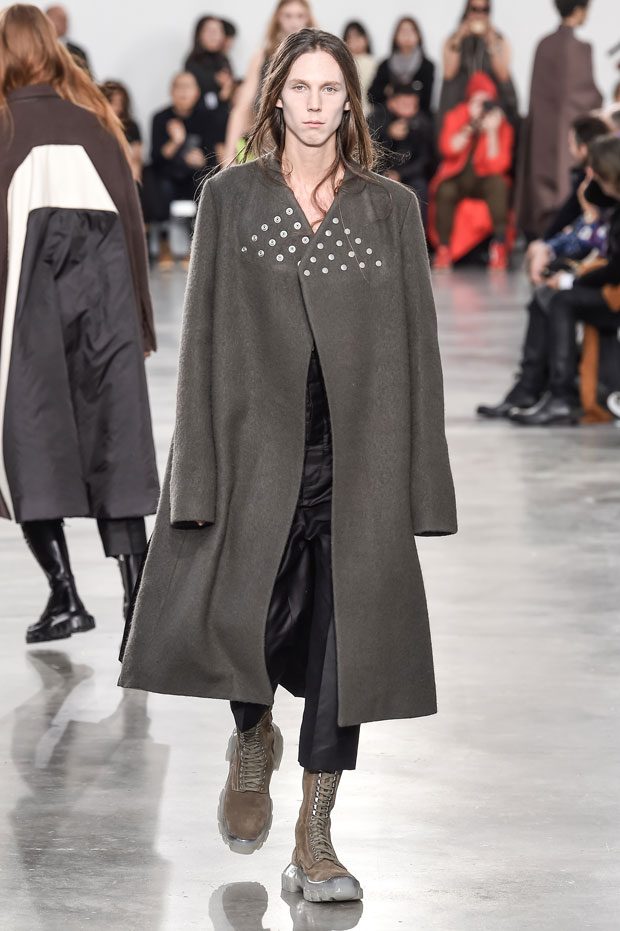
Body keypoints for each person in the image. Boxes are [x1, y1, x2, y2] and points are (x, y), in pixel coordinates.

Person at [119, 27, 456, 904]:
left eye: (329, 88)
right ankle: (253, 734)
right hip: (254, 451)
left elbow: (418, 349)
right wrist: (195, 473)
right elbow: (202, 340)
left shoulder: (389, 209)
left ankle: (316, 835)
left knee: (347, 645)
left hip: (359, 457)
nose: (314, 103)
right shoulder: (232, 197)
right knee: (251, 617)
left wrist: (424, 485)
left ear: (350, 101)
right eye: (300, 87)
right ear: (276, 96)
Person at [0, 5, 159, 643]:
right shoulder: (96, 123)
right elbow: (133, 226)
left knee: (28, 444)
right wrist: (140, 322)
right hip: (107, 314)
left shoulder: (5, 127)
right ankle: (137, 611)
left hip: (24, 318)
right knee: (114, 446)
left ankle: (64, 594)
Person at [509, 136, 620, 426]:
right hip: (611, 285)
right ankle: (531, 386)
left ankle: (560, 395)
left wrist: (572, 280)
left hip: (614, 291)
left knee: (562, 300)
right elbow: (590, 202)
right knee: (546, 296)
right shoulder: (612, 203)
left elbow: (616, 269)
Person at [515, 1, 602, 241]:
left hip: (543, 129)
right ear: (579, 9)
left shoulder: (544, 45)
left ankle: (543, 237)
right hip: (570, 130)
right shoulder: (580, 48)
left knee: (543, 182)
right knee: (565, 181)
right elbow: (587, 95)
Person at [431, 71, 514, 270]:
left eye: (487, 101)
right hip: (458, 176)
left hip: (484, 179)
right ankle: (443, 248)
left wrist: (492, 133)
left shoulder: (500, 124)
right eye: (478, 101)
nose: (483, 106)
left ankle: (499, 245)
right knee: (445, 190)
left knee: (499, 185)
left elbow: (499, 166)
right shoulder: (457, 115)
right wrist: (469, 125)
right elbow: (447, 148)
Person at [221, 0, 315, 164]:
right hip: (267, 142)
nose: (294, 22)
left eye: (300, 16)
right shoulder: (262, 56)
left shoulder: (318, 57)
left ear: (308, 18)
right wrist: (229, 154)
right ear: (278, 18)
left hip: (307, 141)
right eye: (288, 16)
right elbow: (242, 106)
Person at [527, 114, 611, 281]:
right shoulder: (587, 179)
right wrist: (548, 246)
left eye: (571, 144)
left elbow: (591, 238)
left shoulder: (598, 189)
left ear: (584, 148)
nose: (570, 149)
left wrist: (566, 280)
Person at [146, 72, 214, 267]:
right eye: (179, 87)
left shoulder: (206, 118)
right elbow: (155, 157)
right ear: (171, 91)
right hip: (167, 175)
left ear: (197, 92)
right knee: (156, 182)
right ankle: (164, 243)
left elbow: (213, 155)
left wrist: (202, 160)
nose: (183, 92)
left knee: (206, 182)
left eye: (188, 87)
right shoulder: (160, 118)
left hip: (194, 174)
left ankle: (196, 246)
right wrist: (176, 142)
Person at [438, 0, 518, 130]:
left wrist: (491, 42)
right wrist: (459, 37)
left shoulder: (498, 38)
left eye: (484, 10)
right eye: (474, 9)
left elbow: (503, 74)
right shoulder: (454, 38)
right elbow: (449, 73)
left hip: (490, 103)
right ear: (467, 11)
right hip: (460, 102)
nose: (479, 15)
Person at [370, 82, 435, 219]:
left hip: (411, 176)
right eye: (404, 103)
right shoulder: (377, 118)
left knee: (419, 190)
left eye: (413, 103)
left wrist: (401, 174)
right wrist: (388, 135)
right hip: (380, 174)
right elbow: (368, 152)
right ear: (392, 102)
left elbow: (425, 159)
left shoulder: (422, 123)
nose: (409, 107)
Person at [184, 15, 235, 160]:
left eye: (219, 31)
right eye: (210, 31)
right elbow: (199, 101)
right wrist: (223, 93)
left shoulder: (224, 60)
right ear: (199, 35)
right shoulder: (193, 62)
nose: (215, 35)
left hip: (224, 122)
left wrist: (228, 90)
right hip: (201, 125)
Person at [367, 17, 435, 116]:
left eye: (411, 31)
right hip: (389, 116)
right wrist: (390, 97)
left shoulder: (427, 66)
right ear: (395, 36)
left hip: (417, 118)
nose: (407, 35)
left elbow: (427, 101)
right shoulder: (385, 65)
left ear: (418, 36)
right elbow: (372, 96)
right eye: (403, 31)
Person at [101, 80, 143, 182]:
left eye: (121, 103)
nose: (118, 107)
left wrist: (135, 165)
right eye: (113, 102)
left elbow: (137, 154)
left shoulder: (131, 126)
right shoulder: (96, 125)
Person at [342, 20, 375, 117]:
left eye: (358, 36)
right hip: (348, 112)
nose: (354, 41)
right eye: (350, 38)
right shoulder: (343, 64)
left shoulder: (374, 64)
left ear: (366, 39)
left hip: (371, 113)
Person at [45, 4, 91, 74]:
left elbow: (88, 77)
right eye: (59, 19)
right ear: (46, 20)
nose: (64, 22)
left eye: (66, 19)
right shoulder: (39, 49)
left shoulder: (78, 51)